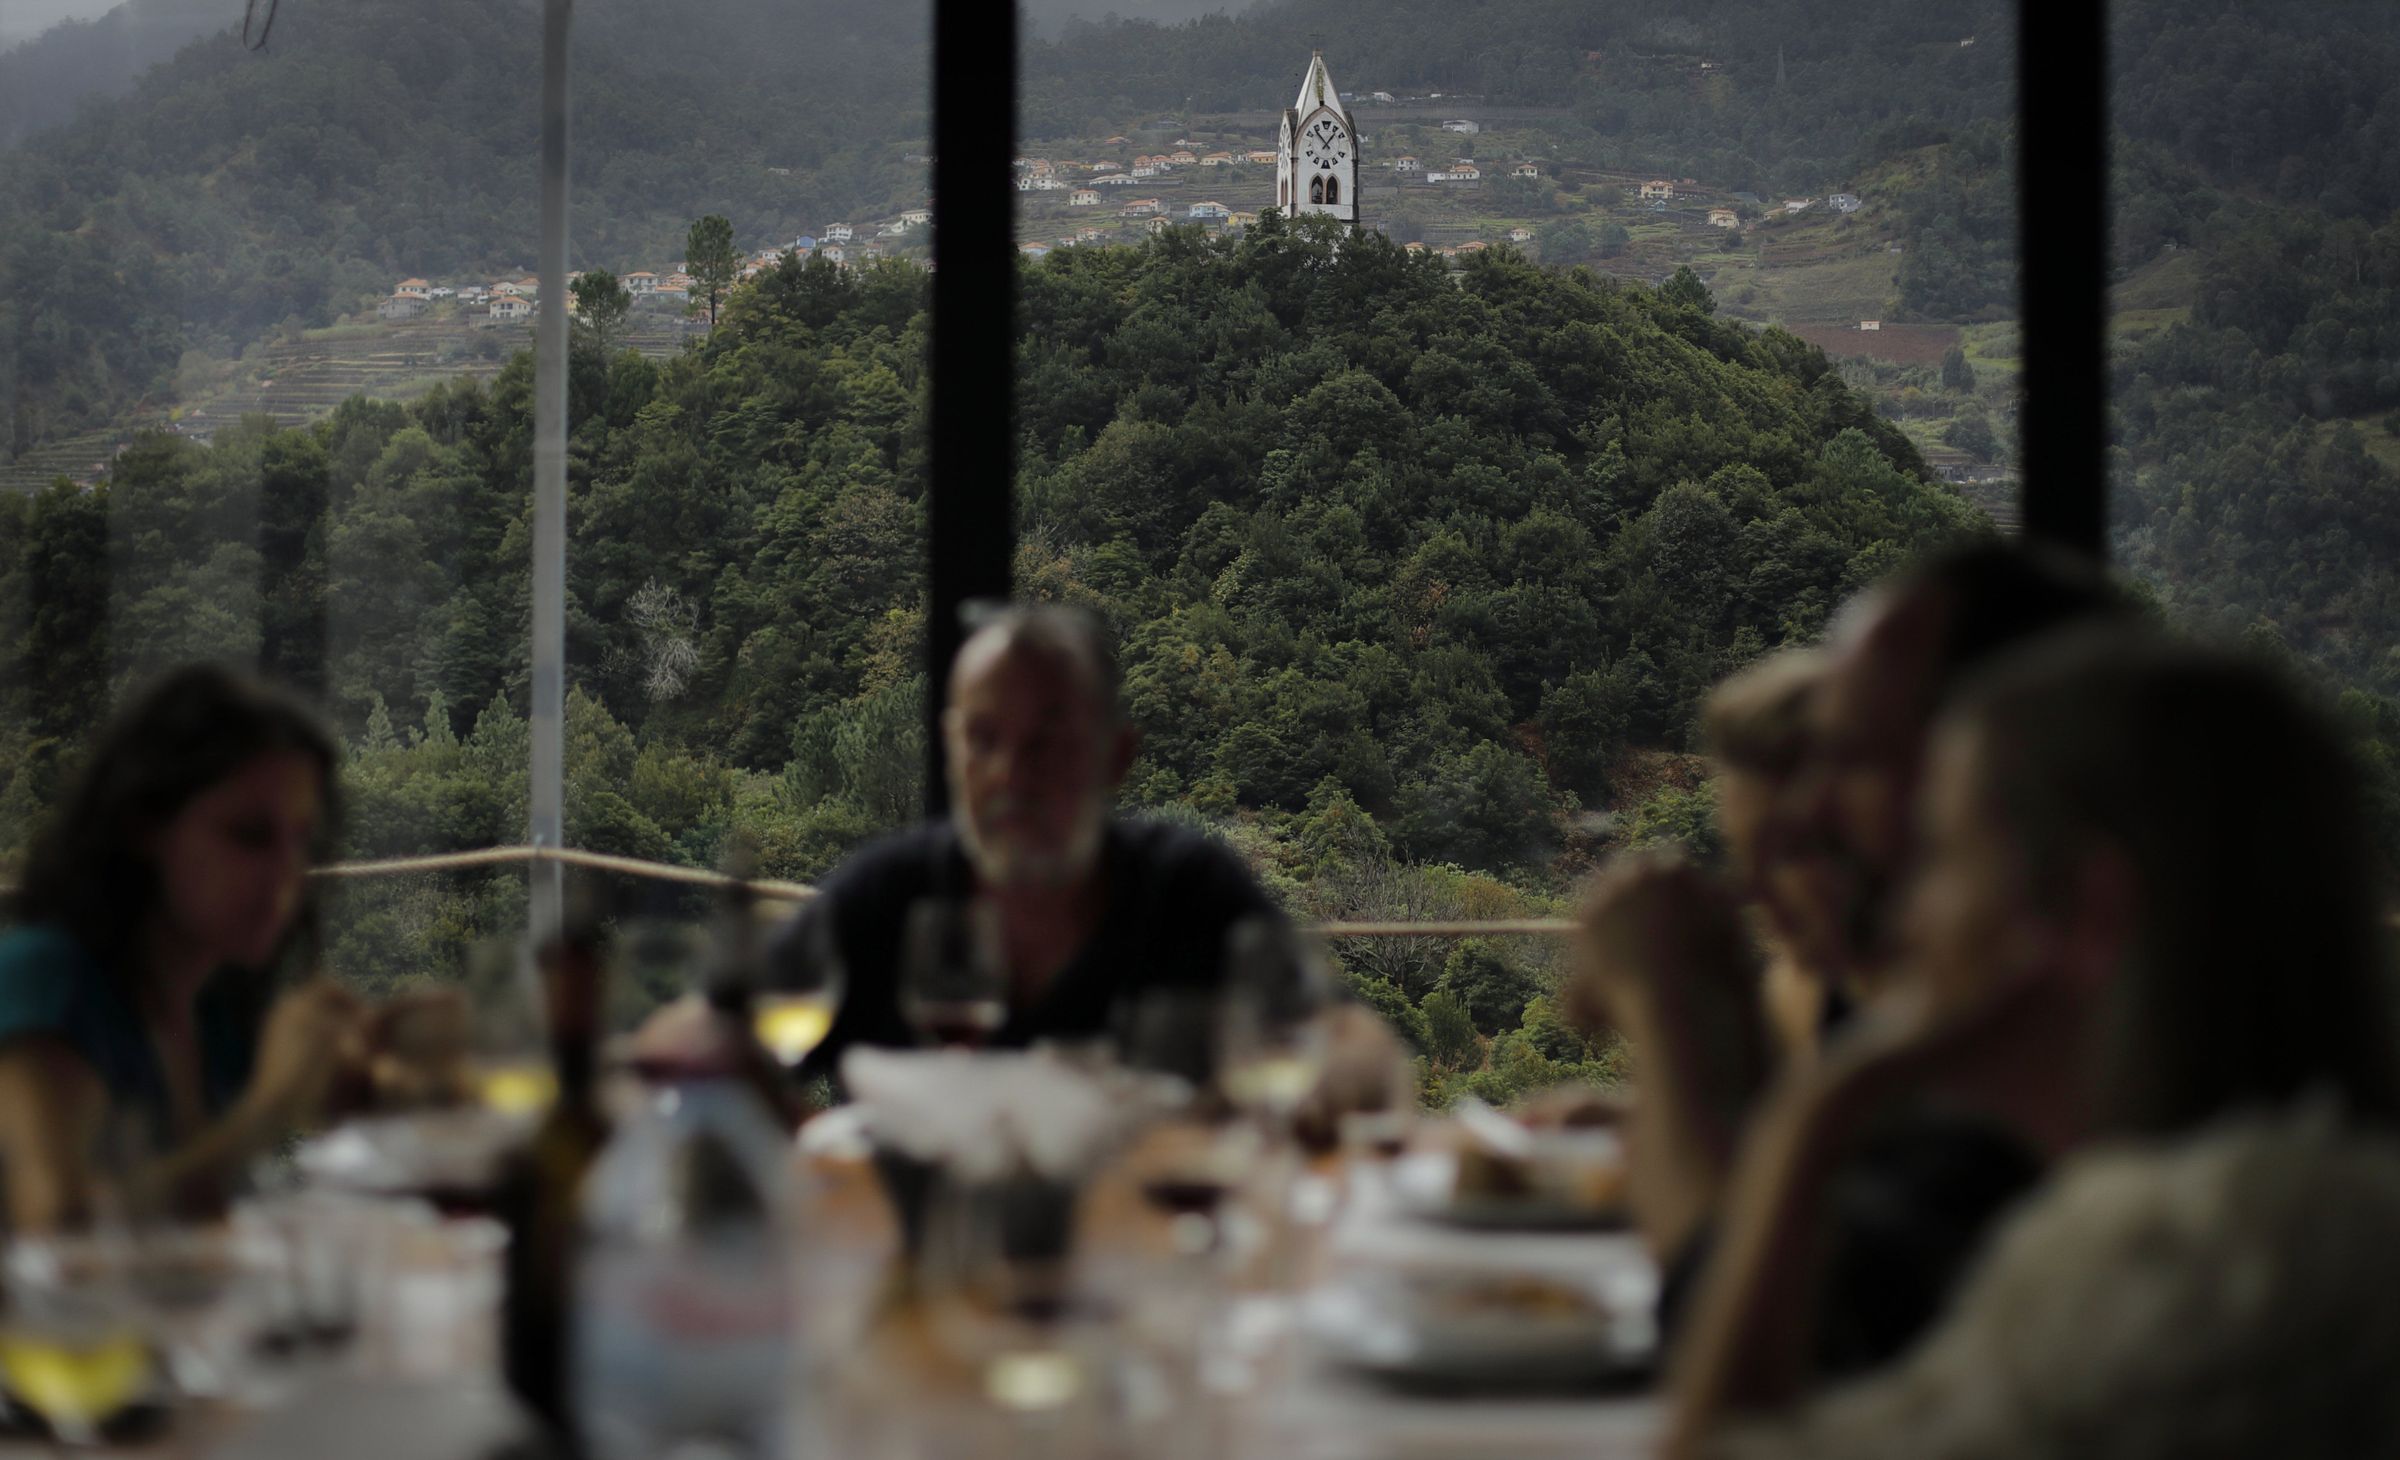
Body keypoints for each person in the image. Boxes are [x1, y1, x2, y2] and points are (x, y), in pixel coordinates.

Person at [1674, 634, 2400, 1459]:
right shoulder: (2308, 1205)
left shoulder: (2169, 1266)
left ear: (2090, 911)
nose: (1911, 916)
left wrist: (1813, 1115)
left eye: (1943, 859)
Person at [1573, 541, 2136, 1376]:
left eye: (1859, 762)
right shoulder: (1943, 1045)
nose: (1813, 823)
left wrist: (1666, 1009)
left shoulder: (2061, 1089)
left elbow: (1753, 1353)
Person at [778, 605, 1386, 1093]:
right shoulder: (888, 894)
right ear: (950, 751)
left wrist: (1329, 1077)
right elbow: (718, 1040)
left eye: (1048, 743)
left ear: (1115, 757)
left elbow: (1353, 1043)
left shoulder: (1185, 889)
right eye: (983, 740)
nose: (1011, 776)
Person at [0, 665, 367, 1231]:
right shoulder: (42, 980)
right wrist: (262, 1116)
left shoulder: (213, 1005)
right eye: (249, 835)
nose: (286, 875)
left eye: (301, 841)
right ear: (144, 826)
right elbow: (55, 1227)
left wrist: (393, 1087)